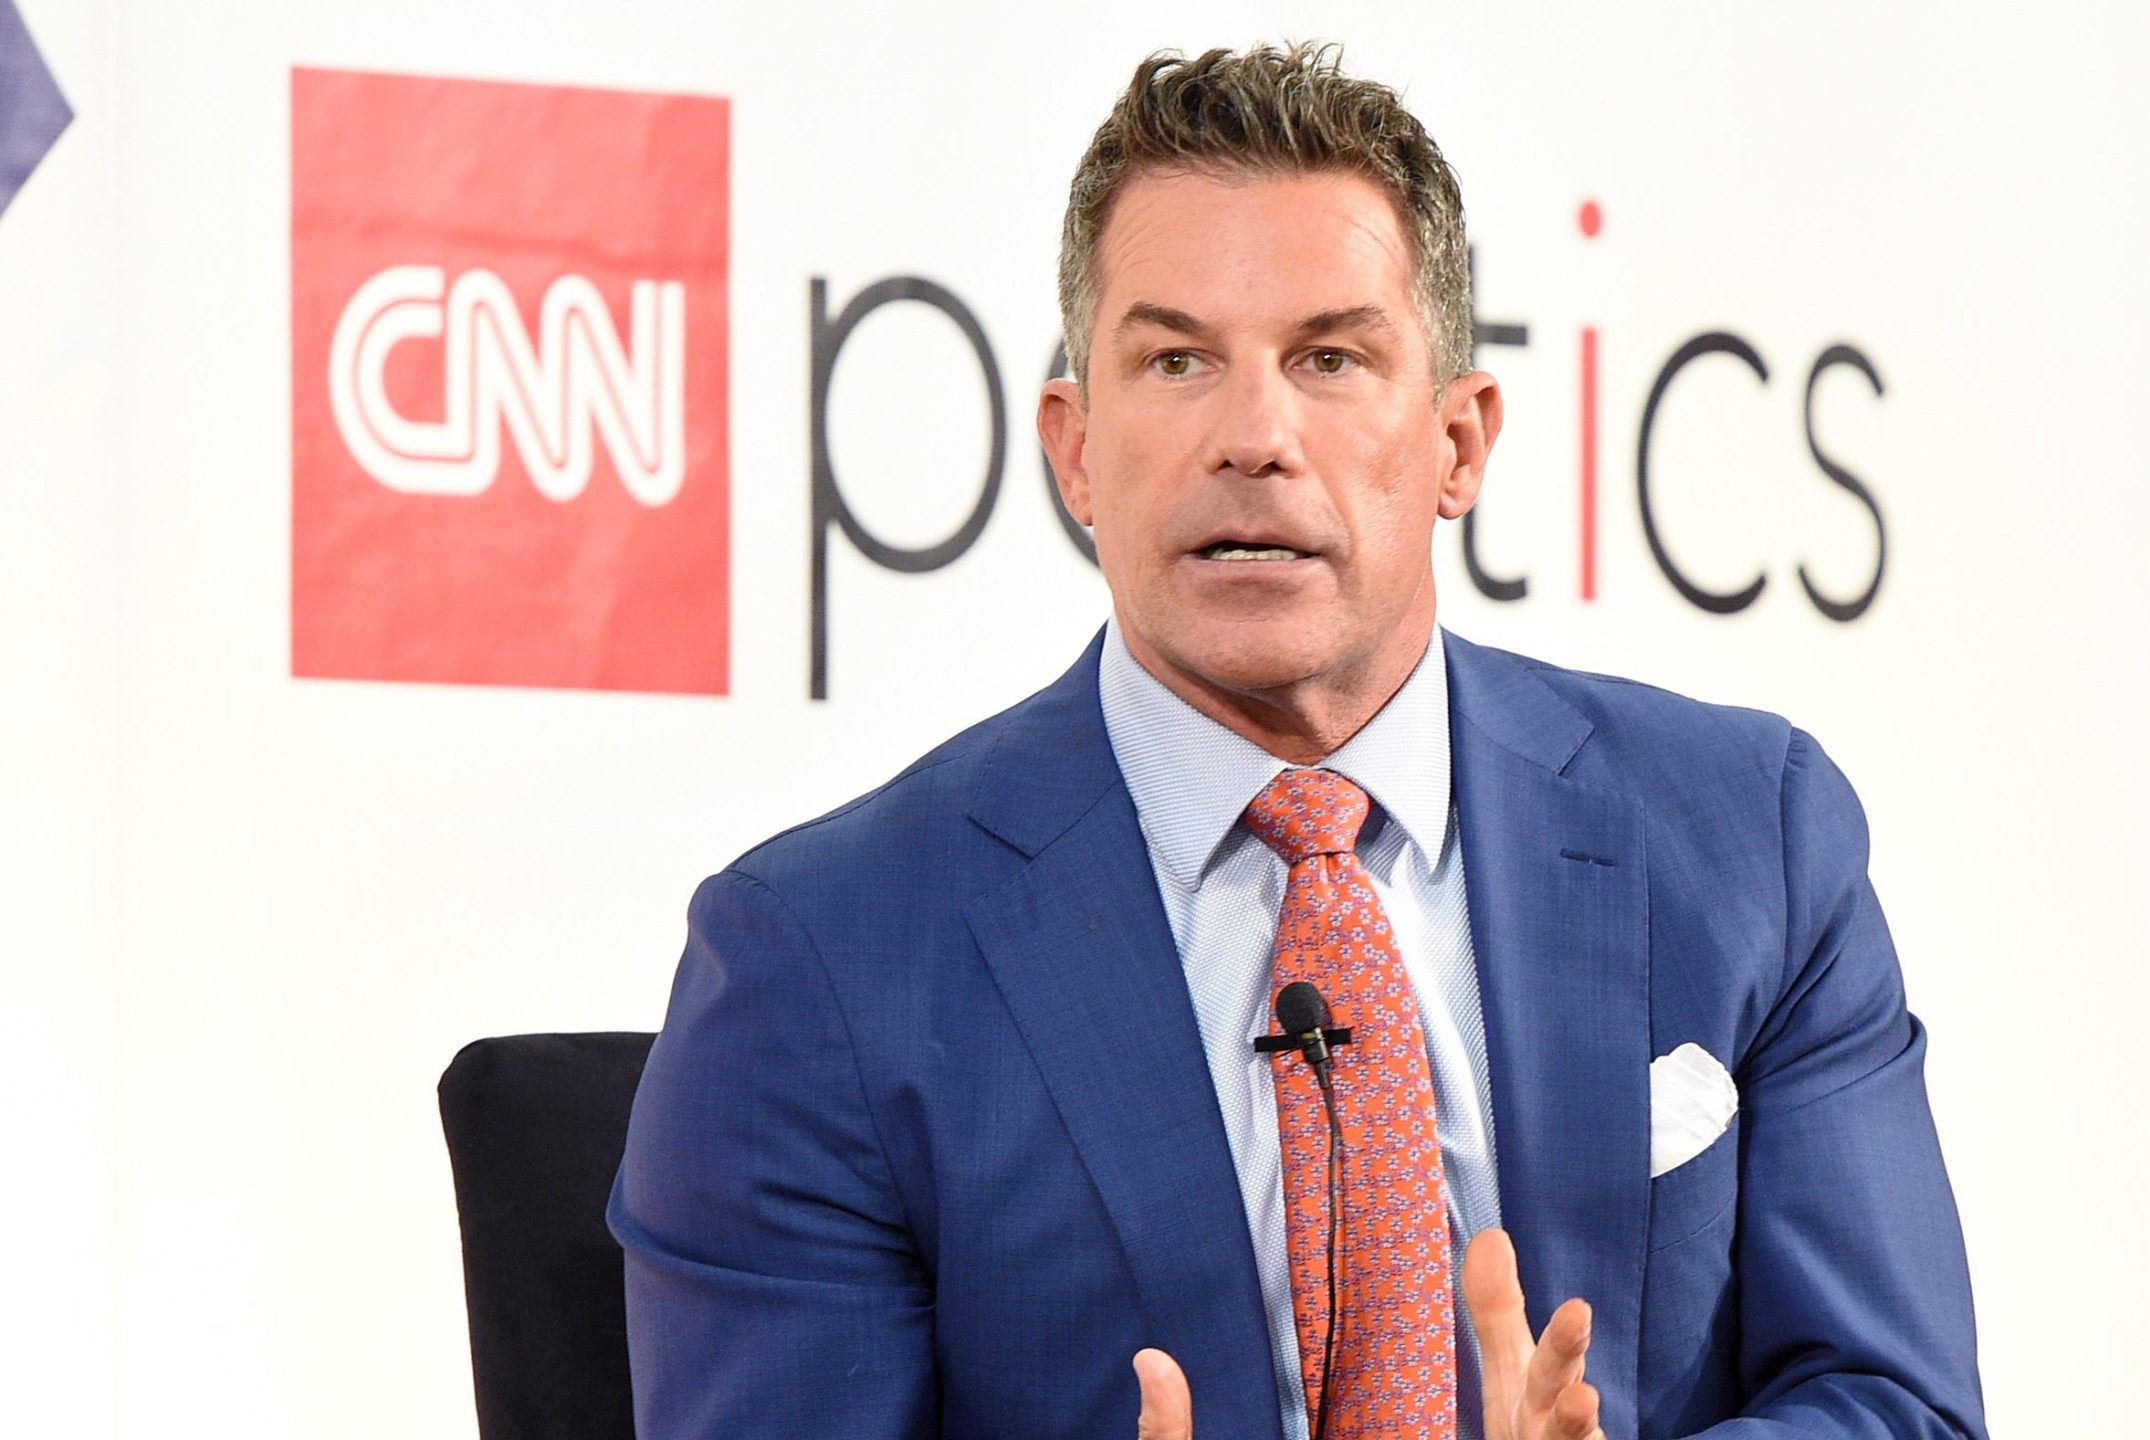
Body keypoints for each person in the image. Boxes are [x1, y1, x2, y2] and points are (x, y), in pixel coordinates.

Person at [609, 42, 1986, 1440]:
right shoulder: (823, 961)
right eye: (1176, 359)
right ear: (1075, 452)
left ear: (1460, 439)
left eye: (1331, 358)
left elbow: (1895, 1407)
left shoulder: (1751, 839)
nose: (1254, 434)